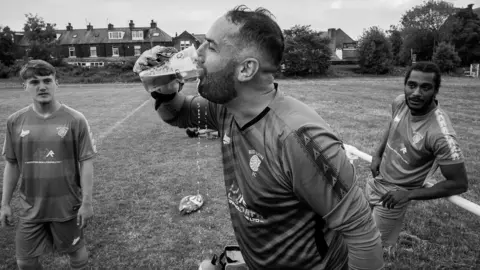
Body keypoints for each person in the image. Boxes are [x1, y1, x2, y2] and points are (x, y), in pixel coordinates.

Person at [135, 5, 383, 270]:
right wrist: (163, 90)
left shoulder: (300, 139)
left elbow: (362, 235)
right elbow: (181, 113)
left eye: (211, 46)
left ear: (246, 69)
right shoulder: (227, 108)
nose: (197, 55)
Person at [1, 60, 97, 270]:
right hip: (30, 206)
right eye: (34, 82)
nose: (42, 86)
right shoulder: (15, 121)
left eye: (47, 80)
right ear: (24, 86)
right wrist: (5, 203)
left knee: (77, 255)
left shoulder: (75, 119)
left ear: (57, 83)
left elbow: (86, 163)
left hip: (66, 206)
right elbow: (12, 164)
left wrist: (87, 202)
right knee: (24, 262)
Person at [368, 61, 469, 256]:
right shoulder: (400, 102)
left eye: (425, 87)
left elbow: (459, 183)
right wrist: (377, 153)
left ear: (435, 91)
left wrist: (408, 194)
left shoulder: (441, 135)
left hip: (395, 195)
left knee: (372, 249)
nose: (416, 93)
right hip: (376, 182)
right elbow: (392, 124)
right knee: (362, 230)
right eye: (412, 85)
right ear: (405, 85)